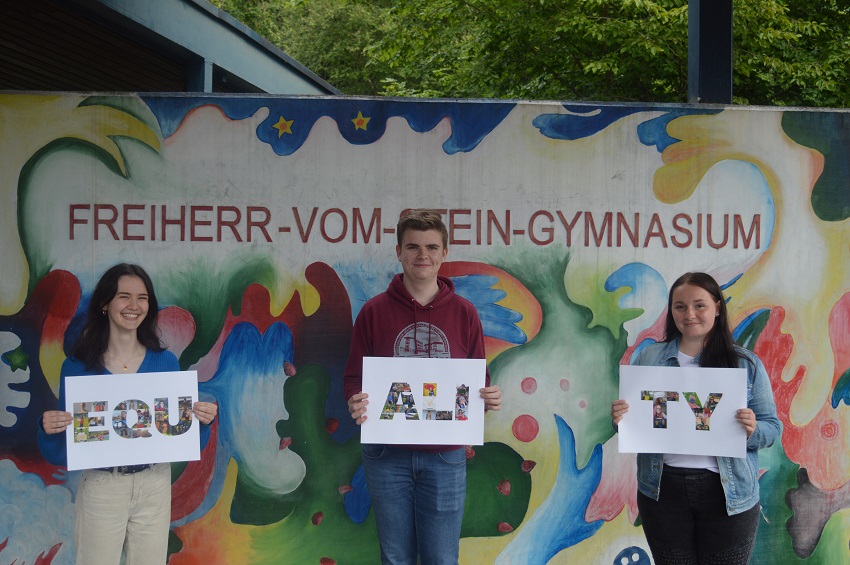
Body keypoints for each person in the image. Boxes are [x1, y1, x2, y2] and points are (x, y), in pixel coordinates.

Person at [344, 209, 502, 565]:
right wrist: (354, 400)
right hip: (386, 455)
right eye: (413, 247)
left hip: (445, 457)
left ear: (444, 252)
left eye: (431, 247)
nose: (423, 255)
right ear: (398, 251)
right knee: (396, 557)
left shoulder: (465, 313)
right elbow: (354, 376)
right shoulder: (372, 312)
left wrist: (487, 396)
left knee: (442, 558)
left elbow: (479, 378)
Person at [37, 263, 218, 565]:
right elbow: (64, 452)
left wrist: (201, 422)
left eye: (142, 298)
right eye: (124, 296)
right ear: (105, 304)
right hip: (102, 486)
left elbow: (181, 440)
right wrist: (50, 428)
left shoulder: (165, 363)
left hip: (154, 484)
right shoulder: (77, 367)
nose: (134, 306)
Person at [611, 272, 780, 564]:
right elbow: (640, 419)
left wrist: (752, 429)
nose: (689, 314)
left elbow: (772, 428)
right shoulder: (648, 357)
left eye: (699, 305)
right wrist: (620, 419)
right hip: (663, 492)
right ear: (672, 311)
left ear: (717, 306)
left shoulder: (745, 364)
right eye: (680, 306)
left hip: (728, 494)